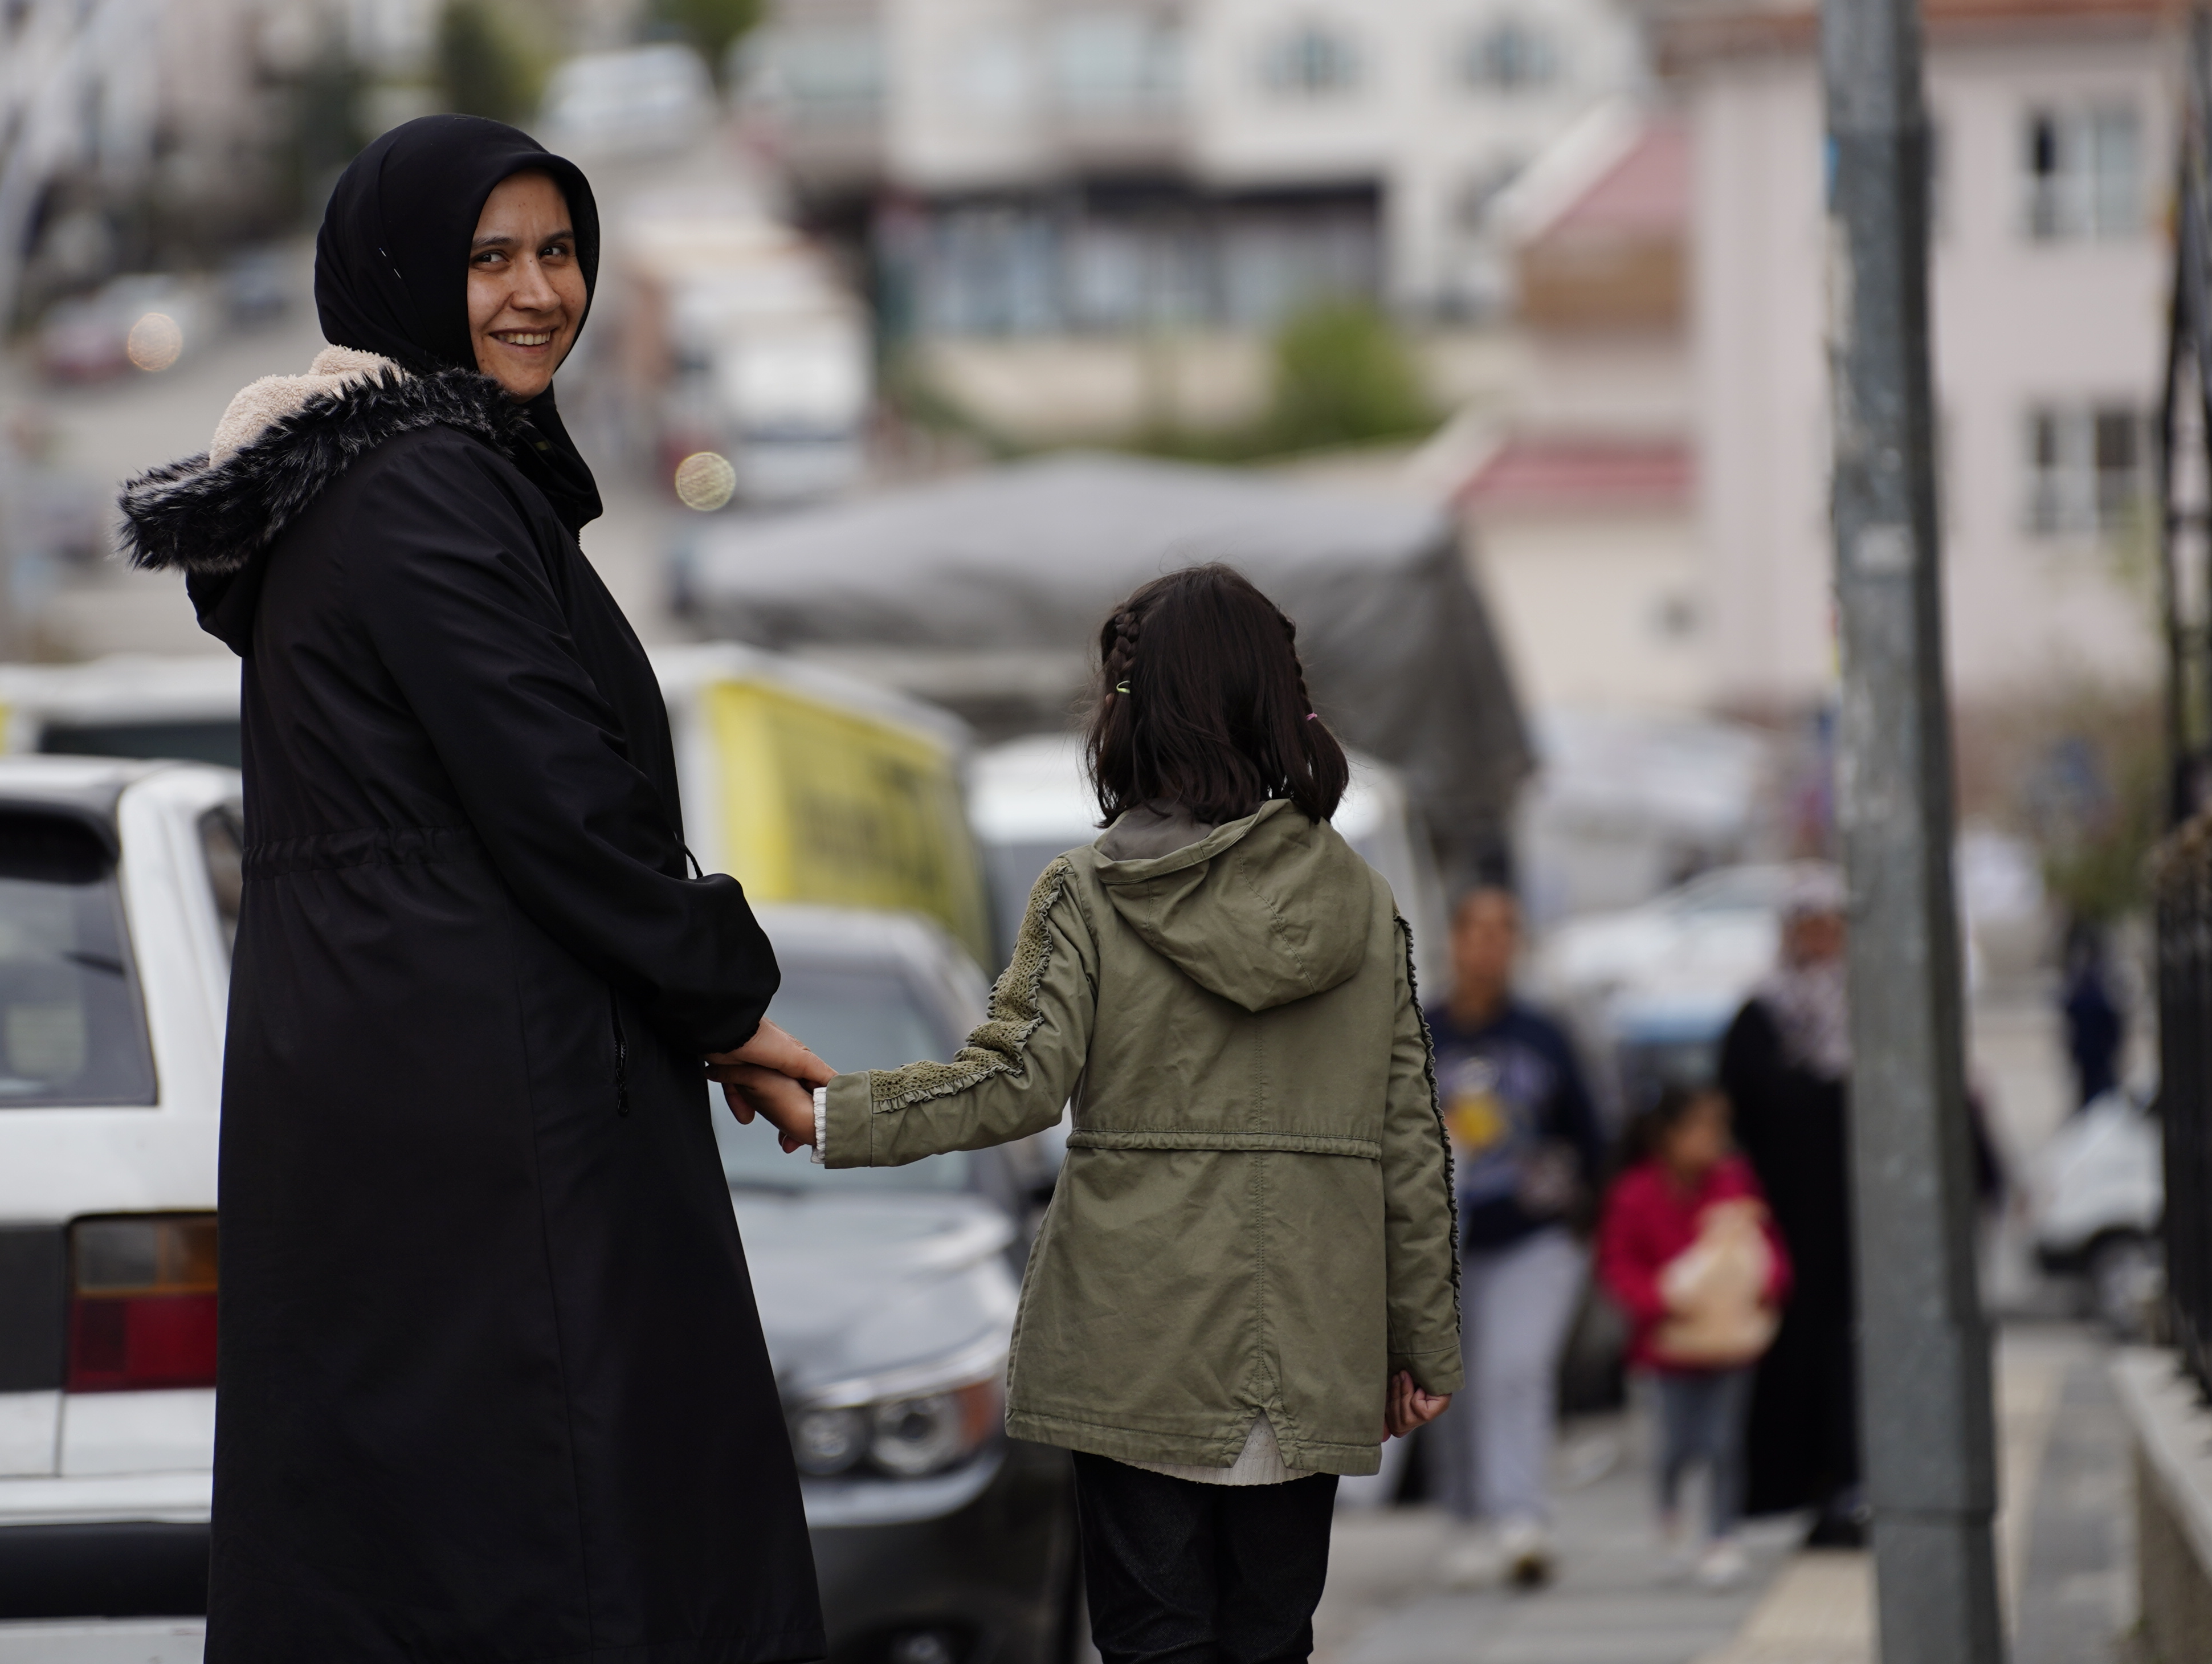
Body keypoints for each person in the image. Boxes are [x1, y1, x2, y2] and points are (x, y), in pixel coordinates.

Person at [118, 115, 833, 1663]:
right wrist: (728, 1001)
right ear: (397, 277)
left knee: (442, 1553)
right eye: (489, 258)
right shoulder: (421, 487)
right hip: (494, 1108)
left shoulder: (387, 484)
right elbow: (564, 798)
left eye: (559, 252)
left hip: (433, 1080)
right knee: (563, 1549)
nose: (537, 293)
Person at [714, 564, 1463, 1664]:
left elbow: (1012, 1081)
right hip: (1310, 1339)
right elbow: (1410, 1138)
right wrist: (1422, 1342)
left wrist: (831, 1113)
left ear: (1135, 711)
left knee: (1151, 1642)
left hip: (1134, 1342)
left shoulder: (1094, 893)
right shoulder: (1361, 900)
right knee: (1271, 1640)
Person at [1431, 883, 1608, 1588]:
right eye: (1479, 929)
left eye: (1506, 930)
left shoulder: (1545, 1033)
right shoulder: (1419, 1030)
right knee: (1449, 1382)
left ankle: (1522, 1515)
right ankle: (1468, 1517)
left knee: (1517, 1368)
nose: (1491, 944)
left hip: (1536, 1235)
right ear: (1454, 939)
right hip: (1440, 1242)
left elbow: (1592, 1135)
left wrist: (1581, 1216)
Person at [1715, 870, 1866, 1548]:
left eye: (1830, 925)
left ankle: (1853, 1487)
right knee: (1788, 1359)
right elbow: (1738, 1114)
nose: (1820, 938)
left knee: (1852, 1356)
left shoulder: (1871, 1014)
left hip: (1859, 1228)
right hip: (1780, 1224)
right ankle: (1787, 1496)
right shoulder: (1760, 1016)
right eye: (1808, 925)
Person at [1595, 1084, 1789, 1589]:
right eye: (1703, 1128)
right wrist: (1660, 1302)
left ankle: (1722, 1535)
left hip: (1730, 1341)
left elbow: (1767, 1248)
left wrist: (1766, 1289)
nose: (1714, 1140)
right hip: (1666, 1347)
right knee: (1674, 1445)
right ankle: (1671, 1524)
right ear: (1667, 1135)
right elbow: (1619, 1264)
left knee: (1725, 1443)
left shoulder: (1734, 1183)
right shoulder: (1635, 1192)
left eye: (1720, 1129)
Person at [2059, 917, 2126, 1114]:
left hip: (2095, 1051)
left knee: (2099, 1097)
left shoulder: (2094, 980)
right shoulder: (2092, 979)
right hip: (2092, 1051)